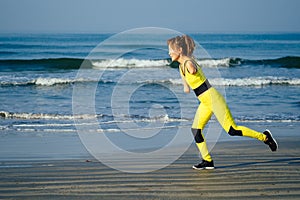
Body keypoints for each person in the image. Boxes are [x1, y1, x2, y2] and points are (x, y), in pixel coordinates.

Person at [167, 35, 278, 170]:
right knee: (196, 130)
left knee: (232, 130)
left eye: (170, 49)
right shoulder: (181, 66)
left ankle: (265, 137)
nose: (169, 53)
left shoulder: (189, 63)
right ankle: (207, 160)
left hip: (213, 98)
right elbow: (186, 81)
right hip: (205, 101)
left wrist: (191, 68)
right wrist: (185, 85)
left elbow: (193, 69)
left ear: (179, 50)